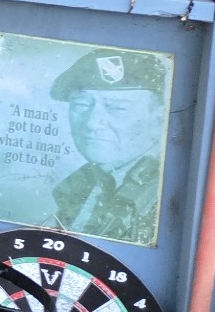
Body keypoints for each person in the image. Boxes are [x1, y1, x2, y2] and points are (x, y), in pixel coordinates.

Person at [48, 48, 168, 244]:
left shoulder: (163, 195)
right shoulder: (86, 185)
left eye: (117, 108)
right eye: (81, 105)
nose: (92, 123)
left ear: (158, 120)